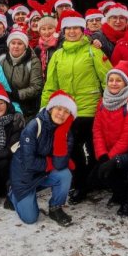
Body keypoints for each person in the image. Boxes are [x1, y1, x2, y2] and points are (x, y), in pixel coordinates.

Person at [41, 11, 111, 204]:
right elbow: (51, 84)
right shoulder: (58, 55)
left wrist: (109, 106)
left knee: (91, 149)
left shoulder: (93, 52)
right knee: (71, 150)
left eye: (76, 28)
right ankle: (79, 184)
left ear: (82, 30)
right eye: (68, 28)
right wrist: (44, 108)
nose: (72, 31)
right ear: (63, 31)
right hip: (66, 112)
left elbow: (108, 81)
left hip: (89, 111)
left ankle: (90, 183)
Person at [90, 61, 128, 216]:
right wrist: (102, 154)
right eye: (111, 80)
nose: (114, 83)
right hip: (107, 151)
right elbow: (97, 130)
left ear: (125, 83)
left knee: (115, 171)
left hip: (127, 152)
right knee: (100, 172)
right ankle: (118, 193)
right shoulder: (103, 102)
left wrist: (110, 158)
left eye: (118, 80)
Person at [8, 90, 77, 227]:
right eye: (59, 108)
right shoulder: (34, 125)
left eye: (66, 111)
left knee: (65, 174)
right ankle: (12, 193)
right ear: (51, 108)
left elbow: (59, 164)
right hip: (25, 176)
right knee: (31, 218)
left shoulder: (66, 133)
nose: (61, 114)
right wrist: (50, 164)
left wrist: (60, 135)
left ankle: (55, 208)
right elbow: (29, 162)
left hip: (42, 173)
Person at [0, 26, 43, 121]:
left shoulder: (33, 62)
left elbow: (36, 86)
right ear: (9, 45)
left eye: (20, 43)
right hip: (3, 101)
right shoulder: (1, 59)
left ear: (25, 46)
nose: (16, 46)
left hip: (26, 107)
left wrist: (17, 94)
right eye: (13, 43)